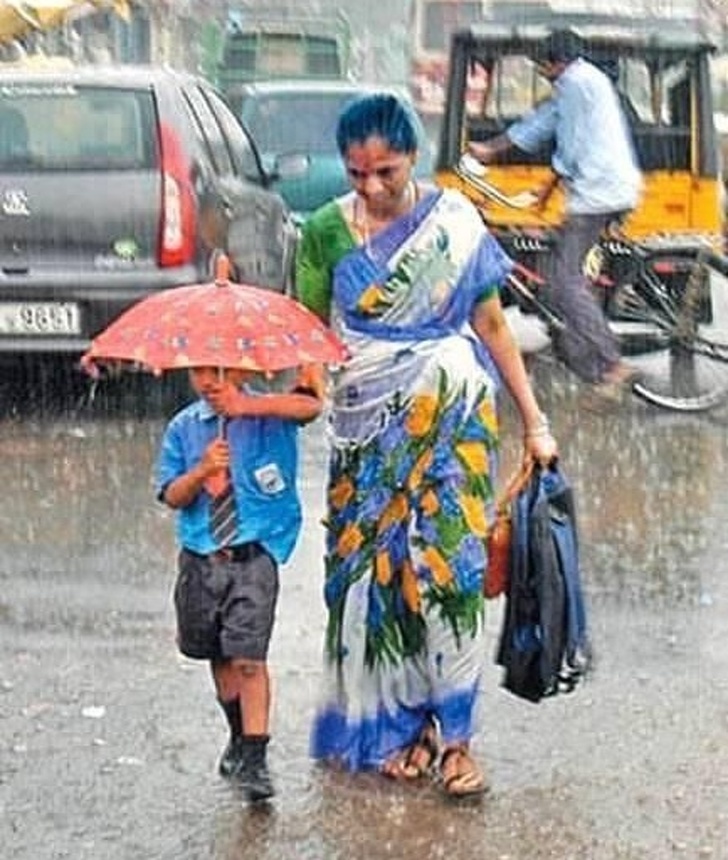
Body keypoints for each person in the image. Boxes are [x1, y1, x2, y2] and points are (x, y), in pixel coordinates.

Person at [295, 92, 558, 799]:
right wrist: (308, 384)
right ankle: (398, 728)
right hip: (363, 432)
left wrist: (533, 420)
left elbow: (494, 328)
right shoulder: (323, 231)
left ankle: (457, 742)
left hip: (456, 421)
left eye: (386, 170)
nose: (373, 187)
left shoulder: (454, 221)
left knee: (451, 572)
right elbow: (308, 334)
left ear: (412, 157)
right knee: (377, 582)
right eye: (357, 174)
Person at [155, 363, 323, 803]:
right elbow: (171, 494)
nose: (210, 381)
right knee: (217, 654)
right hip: (201, 558)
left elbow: (310, 406)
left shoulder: (269, 415)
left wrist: (245, 404)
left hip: (254, 557)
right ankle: (237, 734)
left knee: (249, 657)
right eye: (200, 372)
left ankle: (255, 757)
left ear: (241, 369)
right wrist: (200, 473)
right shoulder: (185, 427)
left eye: (220, 371)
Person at [468, 29, 643, 403]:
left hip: (598, 193)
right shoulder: (579, 81)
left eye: (542, 65)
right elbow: (541, 122)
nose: (542, 72)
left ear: (554, 62)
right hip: (602, 189)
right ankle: (584, 362)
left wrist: (548, 188)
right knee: (554, 279)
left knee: (564, 282)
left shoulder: (576, 84)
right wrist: (490, 149)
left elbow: (571, 145)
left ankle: (611, 364)